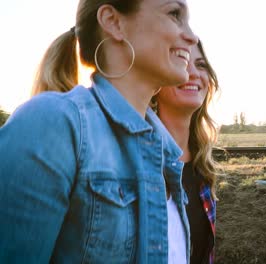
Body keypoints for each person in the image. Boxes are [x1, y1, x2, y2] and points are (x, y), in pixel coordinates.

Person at [0, 0, 198, 263]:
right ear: (113, 22)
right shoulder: (55, 122)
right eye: (175, 13)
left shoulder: (165, 152)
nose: (192, 37)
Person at [153, 40, 219, 264]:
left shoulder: (203, 166)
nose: (193, 72)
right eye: (181, 62)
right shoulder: (137, 162)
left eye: (201, 65)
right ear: (154, 82)